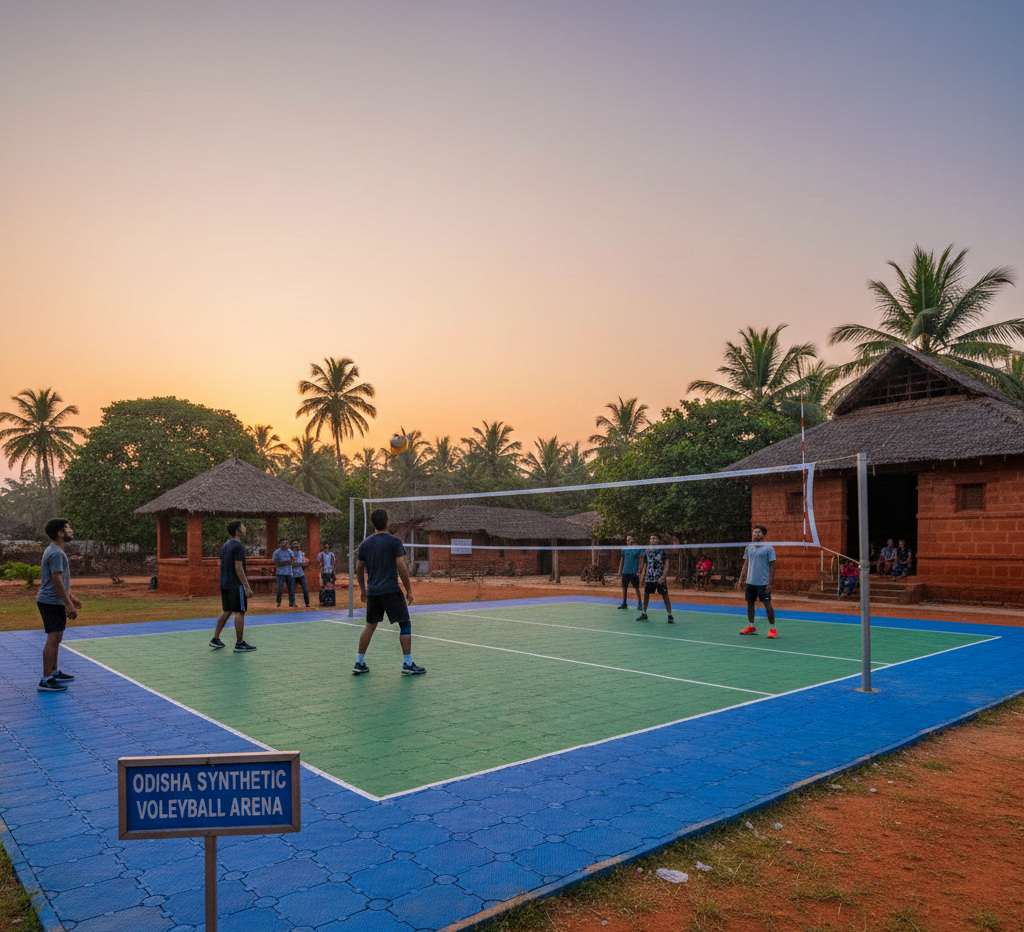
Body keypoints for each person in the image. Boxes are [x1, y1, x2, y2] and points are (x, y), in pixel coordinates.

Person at [353, 509, 423, 676]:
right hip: (391, 590)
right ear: (387, 521)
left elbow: (358, 568)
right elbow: (401, 565)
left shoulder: (365, 544)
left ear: (373, 523)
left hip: (373, 591)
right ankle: (407, 664)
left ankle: (359, 662)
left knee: (370, 625)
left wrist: (363, 590)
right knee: (405, 623)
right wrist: (409, 589)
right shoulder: (395, 542)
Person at [36, 518, 82, 692]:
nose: (71, 530)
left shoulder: (56, 551)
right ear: (60, 533)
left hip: (53, 600)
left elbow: (59, 581)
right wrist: (68, 604)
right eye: (68, 528)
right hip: (50, 601)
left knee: (57, 637)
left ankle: (54, 672)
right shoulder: (56, 553)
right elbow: (56, 581)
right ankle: (46, 679)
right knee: (53, 637)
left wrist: (71, 598)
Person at [210, 520, 256, 651]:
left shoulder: (225, 545)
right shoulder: (239, 546)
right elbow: (238, 567)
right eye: (242, 526)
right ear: (237, 530)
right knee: (240, 612)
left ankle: (215, 638)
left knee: (227, 610)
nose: (244, 528)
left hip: (224, 583)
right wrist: (246, 586)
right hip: (236, 584)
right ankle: (239, 643)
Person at [735, 524, 777, 638]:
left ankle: (773, 628)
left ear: (763, 535)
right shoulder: (749, 547)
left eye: (758, 532)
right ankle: (751, 626)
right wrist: (741, 579)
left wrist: (770, 583)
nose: (755, 534)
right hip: (750, 582)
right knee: (750, 604)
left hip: (763, 583)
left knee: (767, 604)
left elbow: (772, 566)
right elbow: (746, 563)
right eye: (754, 532)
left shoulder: (769, 548)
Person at [637, 534, 674, 623]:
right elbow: (645, 565)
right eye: (651, 539)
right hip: (649, 577)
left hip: (659, 577)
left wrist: (663, 576)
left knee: (665, 595)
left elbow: (666, 564)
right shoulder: (647, 552)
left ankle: (670, 615)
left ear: (658, 540)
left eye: (654, 538)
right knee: (646, 594)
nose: (652, 540)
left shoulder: (663, 552)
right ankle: (644, 613)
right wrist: (642, 578)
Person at [616, 535, 643, 610]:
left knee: (636, 588)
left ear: (633, 540)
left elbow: (642, 559)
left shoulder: (638, 549)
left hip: (634, 572)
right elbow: (622, 560)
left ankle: (640, 603)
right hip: (625, 571)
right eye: (627, 540)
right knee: (624, 587)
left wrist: (639, 571)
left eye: (630, 539)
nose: (628, 541)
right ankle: (624, 603)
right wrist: (619, 571)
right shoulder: (624, 549)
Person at [273, 538, 296, 607]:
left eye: (286, 543)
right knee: (280, 588)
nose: (284, 544)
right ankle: (278, 602)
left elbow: (292, 561)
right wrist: (286, 562)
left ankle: (292, 602)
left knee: (291, 589)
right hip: (280, 573)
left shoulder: (290, 552)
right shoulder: (277, 552)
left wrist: (283, 563)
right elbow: (276, 563)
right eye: (283, 543)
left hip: (289, 573)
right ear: (280, 544)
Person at [291, 539, 310, 608]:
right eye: (295, 545)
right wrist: (297, 563)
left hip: (301, 574)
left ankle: (307, 604)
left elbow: (304, 561)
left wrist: (305, 563)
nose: (297, 546)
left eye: (298, 544)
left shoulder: (302, 553)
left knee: (305, 589)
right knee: (292, 590)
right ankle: (293, 603)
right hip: (293, 574)